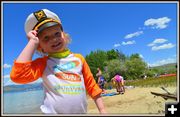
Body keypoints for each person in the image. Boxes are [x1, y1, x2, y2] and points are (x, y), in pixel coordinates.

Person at [10, 9, 106, 114]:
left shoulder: (79, 59)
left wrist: (102, 110)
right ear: (40, 47)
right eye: (46, 38)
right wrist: (32, 42)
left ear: (64, 35)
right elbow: (18, 75)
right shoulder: (43, 63)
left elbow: (92, 86)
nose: (54, 39)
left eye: (57, 33)